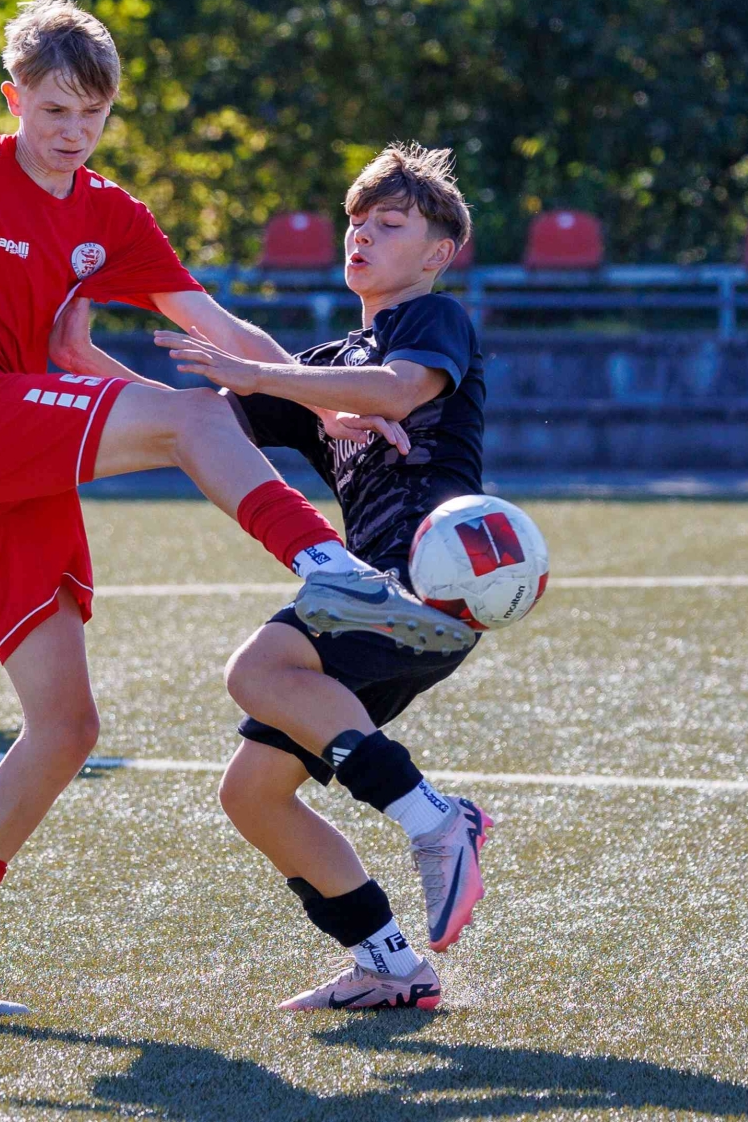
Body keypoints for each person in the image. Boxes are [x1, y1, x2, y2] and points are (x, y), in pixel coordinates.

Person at [0, 0, 473, 1019]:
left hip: (12, 469)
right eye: (53, 109)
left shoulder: (110, 214)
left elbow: (219, 326)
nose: (71, 131)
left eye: (91, 114)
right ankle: (335, 570)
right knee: (194, 415)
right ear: (13, 97)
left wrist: (325, 406)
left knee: (64, 727)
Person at [154, 143, 493, 1010]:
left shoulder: (433, 319)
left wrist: (258, 370)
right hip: (374, 604)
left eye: (390, 224)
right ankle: (391, 965)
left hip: (418, 582)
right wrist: (78, 359)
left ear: (437, 253)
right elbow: (192, 422)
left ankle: (435, 819)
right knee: (253, 795)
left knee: (257, 670)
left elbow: (399, 388)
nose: (362, 236)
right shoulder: (331, 363)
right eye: (356, 221)